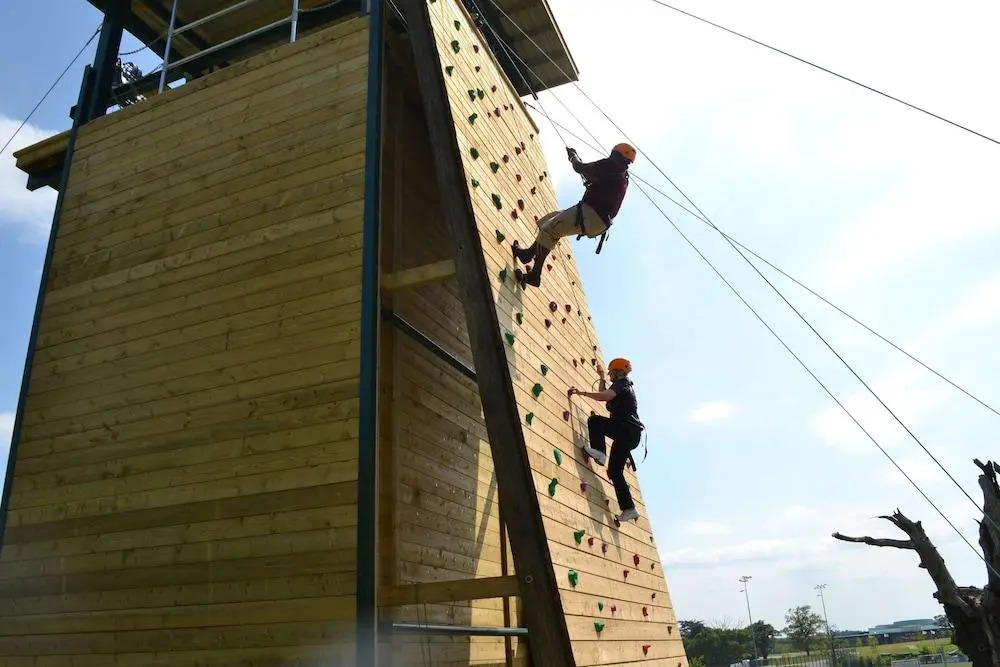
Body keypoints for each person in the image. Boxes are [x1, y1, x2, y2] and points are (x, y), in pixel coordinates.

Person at [512, 142, 636, 289]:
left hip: (592, 214)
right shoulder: (621, 176)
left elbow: (580, 168)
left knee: (549, 229)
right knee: (550, 219)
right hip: (595, 219)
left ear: (617, 153)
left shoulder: (612, 165)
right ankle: (527, 254)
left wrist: (573, 157)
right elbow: (591, 176)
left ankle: (535, 275)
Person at [568, 357, 645, 523]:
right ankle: (629, 508)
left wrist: (582, 393)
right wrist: (602, 377)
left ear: (617, 372)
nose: (610, 375)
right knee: (615, 471)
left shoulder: (622, 384)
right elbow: (607, 394)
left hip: (626, 430)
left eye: (611, 372)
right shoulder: (623, 385)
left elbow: (605, 396)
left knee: (595, 421)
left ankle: (600, 453)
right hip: (630, 435)